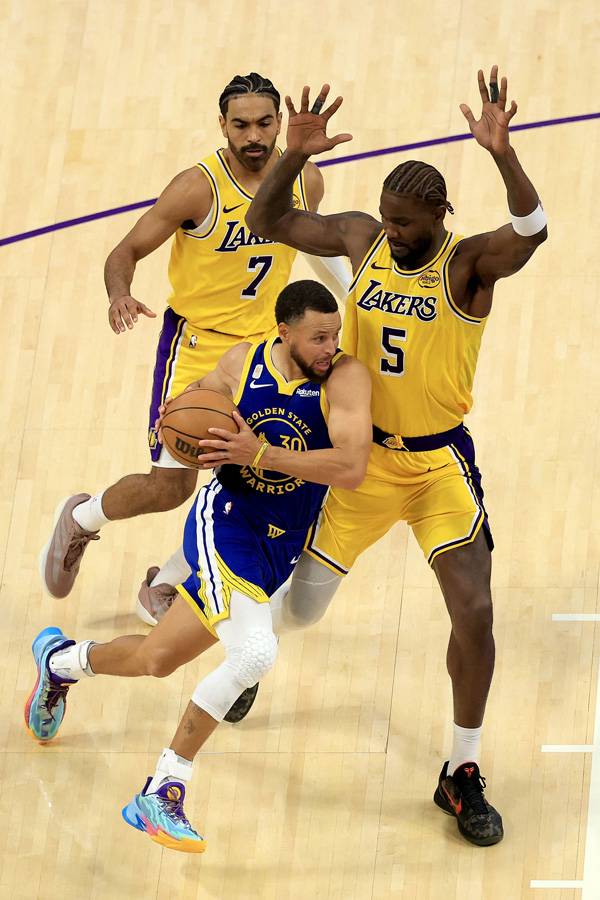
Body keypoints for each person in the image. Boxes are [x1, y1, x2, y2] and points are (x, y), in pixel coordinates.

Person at [244, 68, 548, 847]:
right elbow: (269, 217)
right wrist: (290, 154)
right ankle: (249, 654)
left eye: (407, 221)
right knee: (304, 611)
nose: (393, 230)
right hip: (364, 459)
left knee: (475, 609)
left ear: (440, 216)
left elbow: (534, 230)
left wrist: (503, 156)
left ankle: (462, 770)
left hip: (439, 463)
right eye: (386, 216)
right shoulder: (360, 238)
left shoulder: (469, 264)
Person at [25, 280, 372, 853]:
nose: (329, 346)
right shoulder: (243, 362)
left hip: (280, 544)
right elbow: (192, 405)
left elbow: (350, 467)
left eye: (334, 334)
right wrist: (187, 432)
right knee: (256, 652)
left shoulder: (344, 377)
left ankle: (60, 661)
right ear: (283, 333)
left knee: (155, 659)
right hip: (227, 522)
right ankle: (164, 789)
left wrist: (257, 453)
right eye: (318, 337)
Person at [39, 72, 351, 611]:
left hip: (265, 347)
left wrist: (355, 298)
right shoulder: (198, 186)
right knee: (172, 486)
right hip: (197, 345)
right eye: (241, 125)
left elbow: (315, 244)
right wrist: (120, 294)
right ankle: (81, 518)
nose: (253, 136)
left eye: (264, 123)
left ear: (279, 122)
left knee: (262, 469)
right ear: (222, 126)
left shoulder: (306, 180)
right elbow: (125, 251)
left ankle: (165, 584)